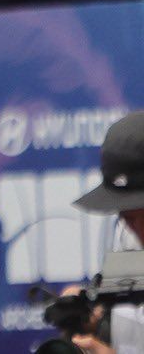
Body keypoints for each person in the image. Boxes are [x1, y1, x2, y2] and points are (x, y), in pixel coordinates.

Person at [65, 111, 144, 354]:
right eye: (121, 208)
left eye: (136, 205)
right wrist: (92, 316)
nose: (126, 220)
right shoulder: (129, 238)